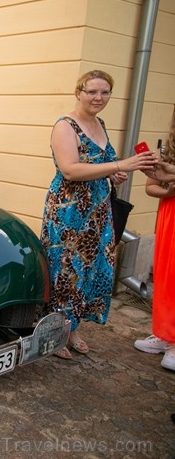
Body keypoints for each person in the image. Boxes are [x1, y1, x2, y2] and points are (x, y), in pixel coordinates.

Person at [40, 70, 158, 359]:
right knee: (66, 271)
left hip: (98, 210)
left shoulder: (100, 123)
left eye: (105, 92)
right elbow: (70, 169)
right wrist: (122, 164)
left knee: (92, 269)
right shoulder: (65, 126)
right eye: (92, 91)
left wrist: (114, 174)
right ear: (78, 92)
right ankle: (55, 333)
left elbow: (101, 166)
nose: (98, 97)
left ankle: (74, 328)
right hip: (70, 211)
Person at [134, 115, 175, 370]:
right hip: (169, 214)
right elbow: (151, 187)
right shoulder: (168, 147)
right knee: (166, 276)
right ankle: (165, 334)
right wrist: (169, 189)